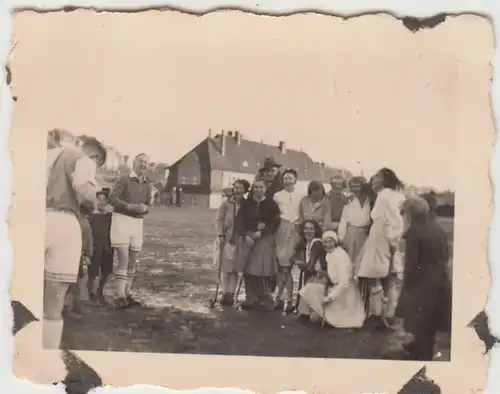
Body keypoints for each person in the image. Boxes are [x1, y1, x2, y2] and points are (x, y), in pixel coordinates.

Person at [45, 136, 106, 348]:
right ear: (95, 157)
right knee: (53, 305)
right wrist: (95, 202)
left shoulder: (48, 154)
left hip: (34, 220)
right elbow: (84, 189)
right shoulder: (83, 159)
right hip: (62, 222)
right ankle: (47, 359)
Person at [394, 197, 450, 360]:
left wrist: (408, 283)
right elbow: (445, 255)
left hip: (421, 282)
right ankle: (424, 351)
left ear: (410, 214)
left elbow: (411, 262)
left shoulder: (414, 232)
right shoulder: (438, 229)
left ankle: (419, 354)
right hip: (440, 279)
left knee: (418, 321)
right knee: (431, 321)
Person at [356, 168, 406, 328]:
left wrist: (391, 239)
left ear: (384, 179)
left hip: (381, 237)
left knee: (375, 276)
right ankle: (386, 313)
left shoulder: (384, 195)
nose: (373, 180)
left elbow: (387, 218)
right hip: (386, 237)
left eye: (376, 177)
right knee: (386, 277)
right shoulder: (396, 195)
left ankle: (378, 314)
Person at [108, 153, 154, 309]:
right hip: (121, 220)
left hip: (137, 223)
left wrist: (145, 208)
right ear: (135, 162)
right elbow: (112, 198)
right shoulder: (124, 179)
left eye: (146, 163)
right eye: (141, 161)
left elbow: (148, 204)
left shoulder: (148, 184)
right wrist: (130, 207)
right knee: (123, 259)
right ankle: (120, 295)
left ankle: (127, 293)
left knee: (133, 260)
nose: (143, 165)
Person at [299, 231, 365, 328]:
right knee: (309, 288)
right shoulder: (329, 255)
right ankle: (304, 315)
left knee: (324, 317)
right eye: (325, 242)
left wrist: (330, 297)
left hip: (344, 293)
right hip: (334, 286)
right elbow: (332, 275)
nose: (327, 245)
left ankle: (316, 316)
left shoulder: (341, 256)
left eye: (330, 242)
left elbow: (344, 283)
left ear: (335, 242)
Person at [234, 177, 281, 310]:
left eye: (261, 187)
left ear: (265, 189)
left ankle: (265, 295)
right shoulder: (246, 204)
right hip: (249, 237)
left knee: (263, 266)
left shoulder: (271, 204)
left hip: (265, 238)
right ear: (253, 189)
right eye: (256, 187)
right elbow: (239, 222)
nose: (259, 190)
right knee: (248, 266)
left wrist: (263, 232)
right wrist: (245, 235)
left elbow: (275, 222)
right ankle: (251, 295)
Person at [214, 179, 251, 306]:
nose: (238, 190)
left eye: (241, 188)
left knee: (236, 268)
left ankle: (231, 293)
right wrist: (220, 234)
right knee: (226, 267)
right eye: (236, 187)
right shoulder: (226, 204)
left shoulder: (247, 204)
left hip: (240, 239)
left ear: (245, 190)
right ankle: (225, 292)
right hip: (227, 238)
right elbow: (219, 219)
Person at [273, 169, 304, 312]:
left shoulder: (301, 196)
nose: (287, 181)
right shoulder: (277, 196)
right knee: (280, 266)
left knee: (287, 266)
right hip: (281, 230)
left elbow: (304, 213)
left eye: (290, 178)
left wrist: (300, 224)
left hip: (295, 230)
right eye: (285, 178)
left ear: (295, 180)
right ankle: (279, 298)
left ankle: (289, 299)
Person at [292, 220, 327, 319]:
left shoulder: (317, 243)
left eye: (311, 229)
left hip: (318, 278)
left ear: (316, 231)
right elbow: (293, 256)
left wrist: (300, 263)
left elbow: (310, 267)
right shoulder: (306, 243)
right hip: (311, 277)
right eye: (306, 228)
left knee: (311, 317)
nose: (308, 231)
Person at [87, 190, 114, 303]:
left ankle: (100, 290)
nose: (101, 202)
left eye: (104, 200)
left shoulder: (110, 217)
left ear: (107, 202)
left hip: (107, 247)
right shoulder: (91, 217)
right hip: (95, 247)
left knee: (106, 270)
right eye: (99, 199)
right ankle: (90, 293)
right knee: (92, 272)